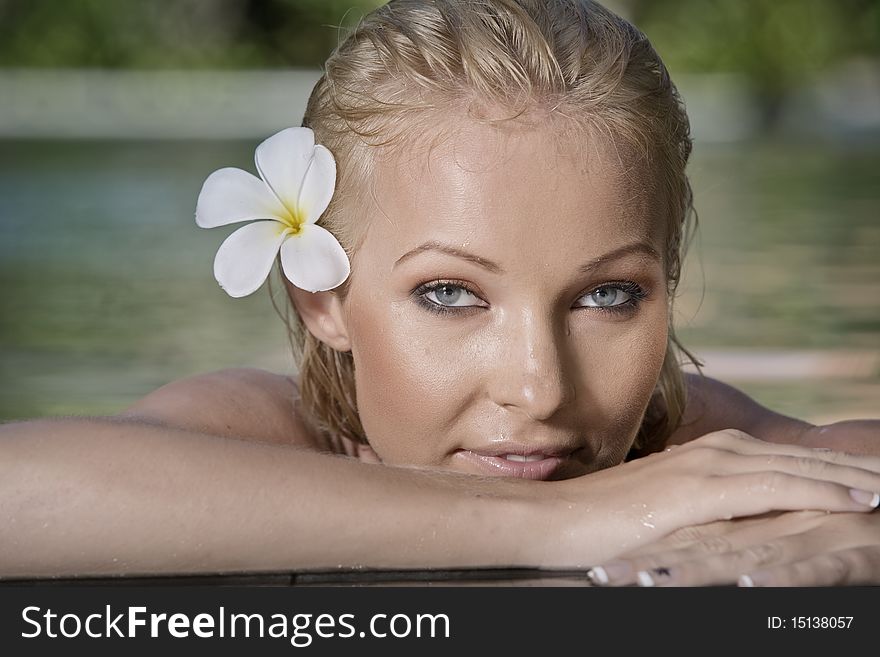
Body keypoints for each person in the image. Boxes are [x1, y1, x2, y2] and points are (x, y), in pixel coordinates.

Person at [1, 0, 878, 586]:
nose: (539, 389)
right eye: (451, 294)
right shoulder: (268, 438)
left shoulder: (676, 440)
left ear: (669, 282)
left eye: (608, 296)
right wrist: (564, 522)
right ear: (325, 300)